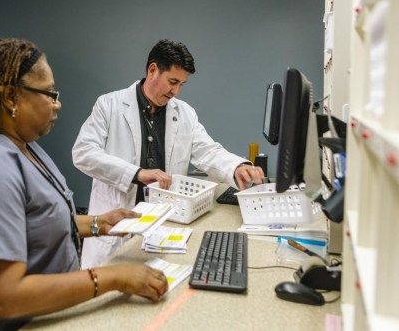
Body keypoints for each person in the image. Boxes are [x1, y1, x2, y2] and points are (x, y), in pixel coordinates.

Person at [0, 38, 169, 330]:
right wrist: (112, 277)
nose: (57, 103)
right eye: (48, 93)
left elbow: (33, 219)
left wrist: (98, 223)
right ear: (10, 97)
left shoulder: (20, 143)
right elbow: (1, 298)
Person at [72, 39, 264, 269]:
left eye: (182, 84)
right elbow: (83, 153)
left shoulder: (184, 113)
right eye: (173, 81)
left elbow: (207, 150)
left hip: (163, 224)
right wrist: (137, 173)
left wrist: (236, 167)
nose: (175, 91)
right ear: (152, 70)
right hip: (118, 224)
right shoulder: (109, 105)